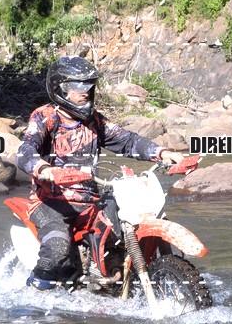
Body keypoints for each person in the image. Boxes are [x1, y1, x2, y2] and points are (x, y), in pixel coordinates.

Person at [15, 56, 184, 290]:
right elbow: (25, 150)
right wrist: (45, 169)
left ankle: (118, 274)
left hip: (90, 201)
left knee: (128, 224)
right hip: (51, 202)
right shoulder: (45, 117)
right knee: (57, 248)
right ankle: (32, 294)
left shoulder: (94, 121)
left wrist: (162, 153)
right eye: (77, 86)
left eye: (88, 86)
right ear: (60, 88)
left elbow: (128, 141)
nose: (84, 92)